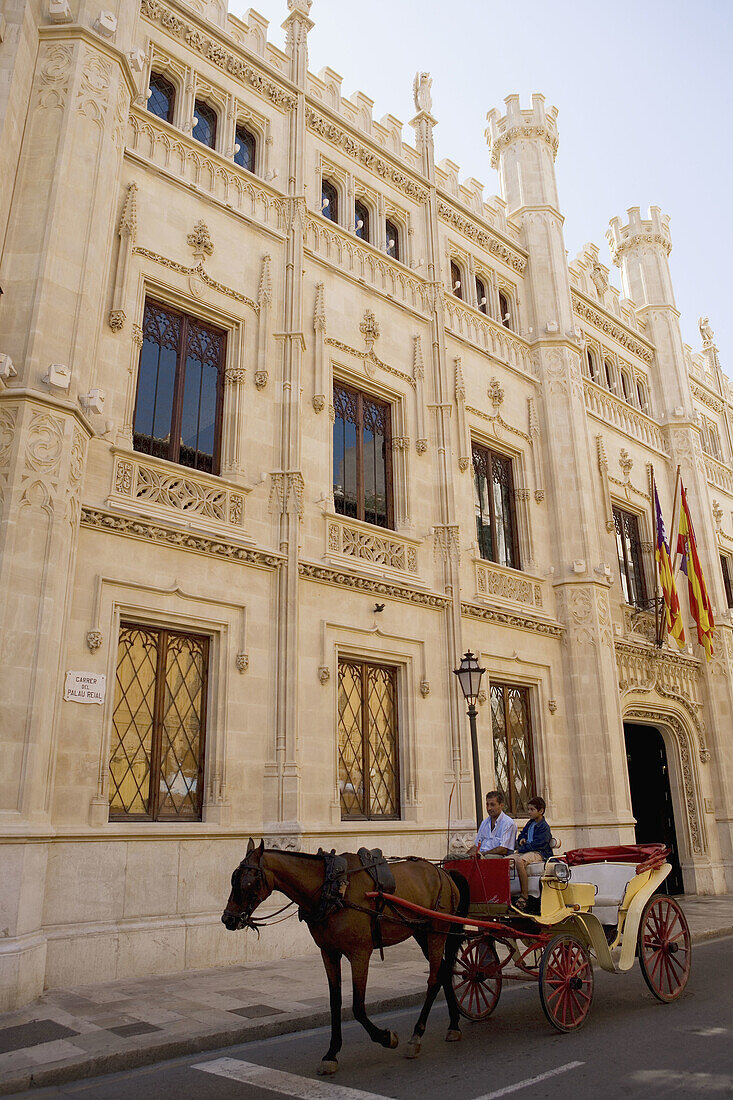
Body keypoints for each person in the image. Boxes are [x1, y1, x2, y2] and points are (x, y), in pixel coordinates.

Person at [513, 796, 553, 911]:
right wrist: (521, 840)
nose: (529, 812)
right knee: (505, 861)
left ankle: (524, 895)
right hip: (526, 850)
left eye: (532, 809)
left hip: (539, 852)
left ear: (540, 811)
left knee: (520, 862)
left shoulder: (544, 827)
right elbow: (522, 835)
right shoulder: (530, 823)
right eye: (528, 809)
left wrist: (522, 848)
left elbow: (539, 844)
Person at [469, 790, 517, 857]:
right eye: (487, 804)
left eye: (492, 805)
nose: (489, 808)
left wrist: (483, 854)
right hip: (482, 856)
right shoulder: (484, 823)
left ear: (501, 805)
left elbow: (503, 849)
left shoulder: (508, 823)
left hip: (499, 858)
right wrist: (467, 855)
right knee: (455, 858)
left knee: (487, 857)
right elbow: (477, 845)